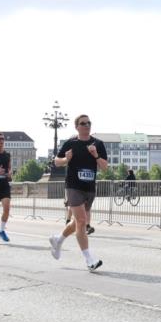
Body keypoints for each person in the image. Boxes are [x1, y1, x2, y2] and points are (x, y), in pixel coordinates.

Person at [48, 114, 107, 271]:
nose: (87, 125)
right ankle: (89, 260)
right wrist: (66, 160)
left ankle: (58, 240)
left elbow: (105, 167)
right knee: (81, 221)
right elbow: (56, 161)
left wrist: (96, 155)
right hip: (73, 186)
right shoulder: (71, 143)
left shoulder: (98, 144)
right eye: (83, 123)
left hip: (89, 188)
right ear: (77, 127)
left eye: (89, 123)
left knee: (76, 222)